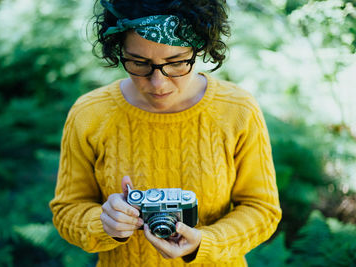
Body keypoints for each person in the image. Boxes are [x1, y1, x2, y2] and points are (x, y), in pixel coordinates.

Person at [49, 0, 282, 266]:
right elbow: (67, 211)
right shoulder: (89, 114)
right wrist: (103, 222)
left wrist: (206, 242)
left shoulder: (238, 111)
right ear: (118, 51)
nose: (158, 82)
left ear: (199, 48)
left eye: (176, 62)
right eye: (138, 63)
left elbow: (262, 210)